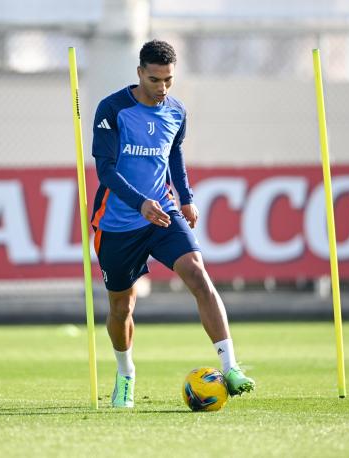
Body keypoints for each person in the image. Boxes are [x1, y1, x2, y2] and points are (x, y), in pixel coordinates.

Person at [91, 39, 255, 408]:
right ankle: (126, 373)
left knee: (198, 274)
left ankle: (230, 367)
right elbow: (106, 170)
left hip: (163, 212)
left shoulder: (177, 112)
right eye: (154, 80)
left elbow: (174, 155)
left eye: (168, 80)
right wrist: (140, 203)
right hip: (117, 222)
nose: (162, 88)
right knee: (122, 308)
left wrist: (187, 197)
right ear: (139, 73)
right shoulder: (113, 109)